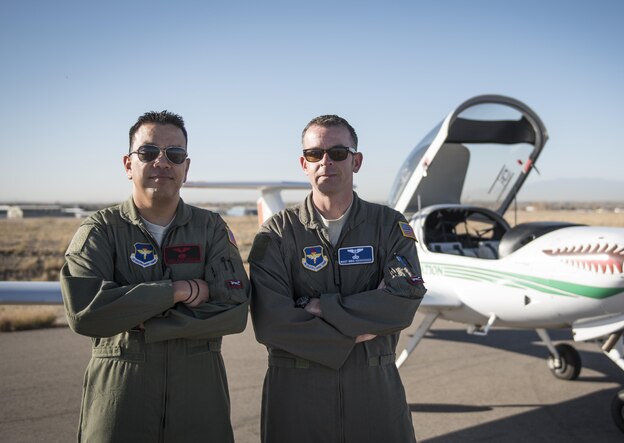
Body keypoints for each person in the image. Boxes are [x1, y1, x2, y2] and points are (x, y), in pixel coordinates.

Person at [60, 110, 249, 442]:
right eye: (148, 152)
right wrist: (175, 291)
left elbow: (234, 311)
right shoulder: (101, 231)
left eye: (174, 154)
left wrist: (146, 318)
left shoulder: (211, 229)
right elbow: (86, 312)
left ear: (185, 168)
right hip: (120, 402)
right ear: (128, 164)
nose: (162, 162)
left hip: (200, 403)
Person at [249, 114, 426, 442]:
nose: (326, 161)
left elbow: (403, 302)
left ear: (356, 161)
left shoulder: (389, 226)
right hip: (296, 395)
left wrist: (318, 306)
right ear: (304, 163)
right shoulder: (275, 234)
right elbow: (270, 322)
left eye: (338, 153)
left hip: (374, 389)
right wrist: (355, 329)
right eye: (315, 154)